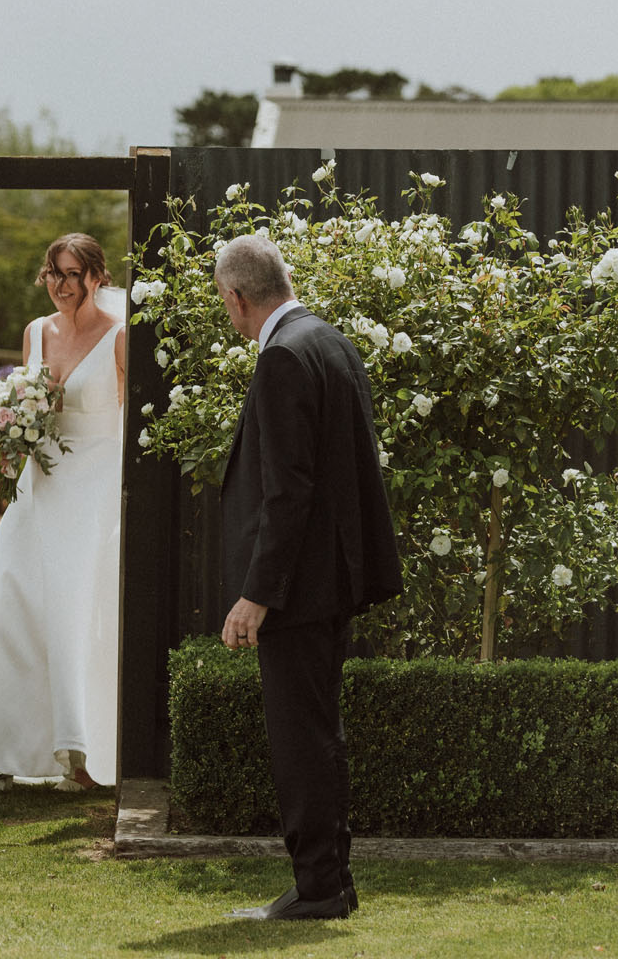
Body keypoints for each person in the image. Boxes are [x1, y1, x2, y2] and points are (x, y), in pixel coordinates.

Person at [214, 234, 402, 920]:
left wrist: (256, 596)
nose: (229, 317)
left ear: (237, 298)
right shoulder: (329, 339)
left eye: (226, 305)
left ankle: (321, 887)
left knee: (301, 740)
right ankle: (329, 883)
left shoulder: (285, 356)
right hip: (328, 580)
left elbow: (288, 491)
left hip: (298, 588)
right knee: (318, 734)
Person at [0, 233, 126, 793]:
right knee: (7, 600)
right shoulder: (35, 332)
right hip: (38, 484)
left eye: (73, 274)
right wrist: (9, 432)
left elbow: (129, 426)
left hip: (93, 487)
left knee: (75, 614)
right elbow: (21, 404)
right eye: (53, 273)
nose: (61, 285)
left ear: (97, 276)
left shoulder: (121, 338)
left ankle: (82, 757)